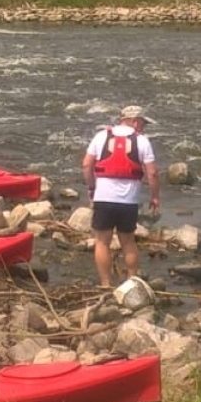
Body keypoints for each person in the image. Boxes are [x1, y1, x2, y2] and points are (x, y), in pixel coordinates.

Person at [82, 105, 160, 288]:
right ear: (134, 121)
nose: (143, 127)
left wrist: (92, 188)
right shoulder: (142, 141)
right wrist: (155, 196)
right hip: (128, 202)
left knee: (102, 242)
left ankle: (105, 284)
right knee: (128, 242)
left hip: (103, 198)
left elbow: (86, 165)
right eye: (142, 123)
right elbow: (153, 173)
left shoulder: (101, 136)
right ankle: (131, 283)